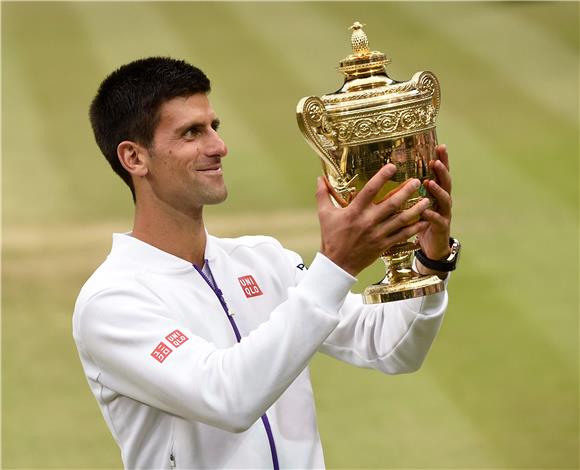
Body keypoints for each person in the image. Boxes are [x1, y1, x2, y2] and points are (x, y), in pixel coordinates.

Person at [73, 57, 457, 470]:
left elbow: (390, 348)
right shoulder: (111, 302)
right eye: (191, 133)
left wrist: (429, 262)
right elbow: (227, 397)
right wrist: (336, 264)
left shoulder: (262, 259)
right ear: (134, 158)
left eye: (214, 128)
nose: (218, 146)